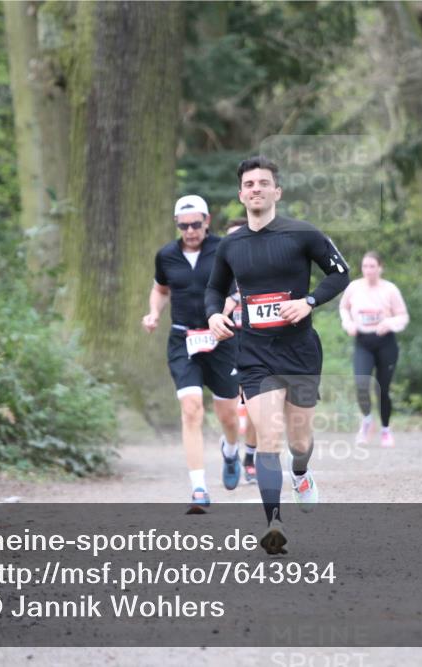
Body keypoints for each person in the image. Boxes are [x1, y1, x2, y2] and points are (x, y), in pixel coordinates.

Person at [206, 156, 349, 554]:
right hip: (254, 353)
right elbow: (214, 290)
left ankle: (301, 474)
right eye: (249, 184)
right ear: (241, 194)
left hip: (300, 351)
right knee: (268, 436)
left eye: (263, 183)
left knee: (299, 440)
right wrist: (214, 315)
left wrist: (309, 301)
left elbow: (340, 272)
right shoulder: (231, 245)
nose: (256, 188)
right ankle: (274, 523)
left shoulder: (303, 234)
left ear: (277, 192)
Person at [142, 195, 243, 514]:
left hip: (222, 337)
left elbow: (240, 285)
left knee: (227, 414)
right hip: (183, 339)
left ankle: (230, 450)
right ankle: (199, 488)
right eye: (183, 226)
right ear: (177, 225)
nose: (190, 231)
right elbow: (160, 289)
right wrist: (153, 314)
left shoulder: (224, 249)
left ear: (207, 221)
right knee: (191, 409)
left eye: (196, 224)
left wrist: (230, 307)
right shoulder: (166, 256)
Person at [339, 252, 409, 447]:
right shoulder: (354, 287)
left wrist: (390, 323)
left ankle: (386, 429)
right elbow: (343, 308)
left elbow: (403, 316)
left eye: (372, 266)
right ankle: (367, 420)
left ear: (380, 268)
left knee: (382, 389)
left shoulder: (390, 290)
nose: (368, 270)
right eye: (365, 266)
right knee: (361, 384)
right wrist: (348, 323)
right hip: (363, 341)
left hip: (385, 342)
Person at [221, 218, 258, 484]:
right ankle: (231, 444)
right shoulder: (218, 273)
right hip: (227, 343)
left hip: (256, 342)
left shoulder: (263, 269)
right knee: (231, 408)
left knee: (256, 405)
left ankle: (250, 459)